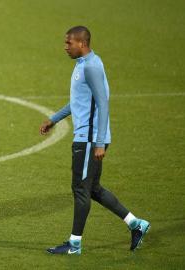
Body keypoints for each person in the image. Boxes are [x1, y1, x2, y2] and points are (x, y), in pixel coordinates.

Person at [40, 26, 149, 254]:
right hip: (88, 137)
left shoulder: (91, 67)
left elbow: (102, 102)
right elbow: (80, 102)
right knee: (93, 189)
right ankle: (136, 224)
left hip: (89, 139)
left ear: (82, 43)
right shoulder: (83, 65)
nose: (65, 47)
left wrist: (99, 142)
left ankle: (74, 244)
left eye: (69, 43)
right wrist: (54, 119)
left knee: (80, 189)